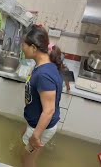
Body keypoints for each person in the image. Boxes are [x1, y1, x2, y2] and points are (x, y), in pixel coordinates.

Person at [21, 24, 67, 167]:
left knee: (27, 162)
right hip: (36, 123)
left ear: (34, 48)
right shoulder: (44, 64)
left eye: (24, 45)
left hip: (41, 127)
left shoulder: (44, 75)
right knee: (27, 153)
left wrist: (36, 135)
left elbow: (49, 110)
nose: (22, 48)